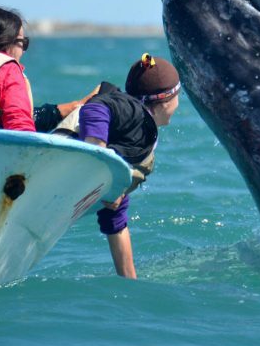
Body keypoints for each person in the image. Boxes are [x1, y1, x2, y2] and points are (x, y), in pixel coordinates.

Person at [65, 53, 181, 279]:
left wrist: (130, 283)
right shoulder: (134, 110)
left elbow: (115, 218)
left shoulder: (136, 133)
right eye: (179, 96)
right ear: (166, 100)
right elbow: (97, 107)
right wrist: (98, 163)